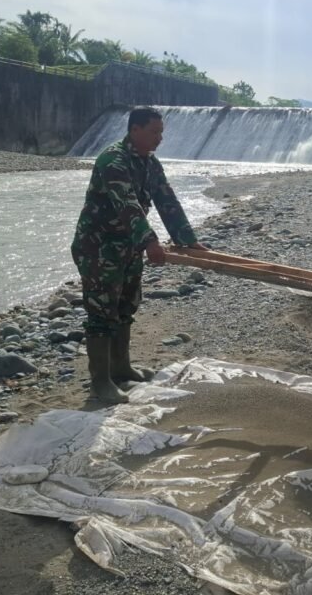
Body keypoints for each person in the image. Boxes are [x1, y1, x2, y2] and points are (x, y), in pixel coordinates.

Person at [71, 106, 209, 405]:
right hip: (98, 247)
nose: (159, 138)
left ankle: (121, 368)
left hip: (127, 247)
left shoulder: (149, 163)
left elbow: (166, 199)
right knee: (101, 312)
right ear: (135, 130)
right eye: (154, 132)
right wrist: (150, 241)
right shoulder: (113, 159)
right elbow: (127, 204)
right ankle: (100, 383)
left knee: (126, 305)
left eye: (161, 133)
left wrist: (187, 239)